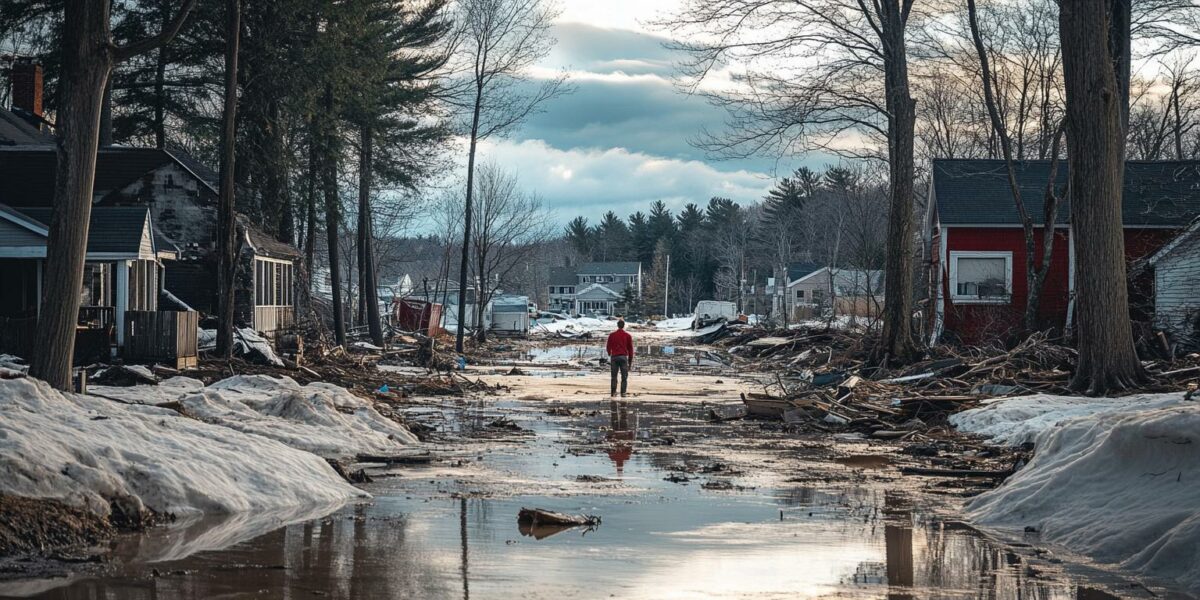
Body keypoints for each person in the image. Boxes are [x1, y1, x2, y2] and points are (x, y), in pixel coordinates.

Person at [605, 319, 634, 397]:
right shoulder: (627, 336)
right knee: (624, 376)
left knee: (614, 376)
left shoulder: (612, 335)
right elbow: (630, 349)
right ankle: (623, 392)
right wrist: (630, 362)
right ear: (623, 326)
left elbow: (608, 346)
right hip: (623, 357)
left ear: (617, 325)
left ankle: (613, 392)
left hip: (614, 357)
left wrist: (609, 353)